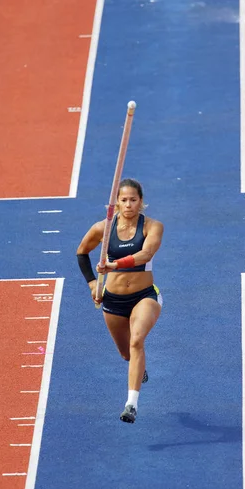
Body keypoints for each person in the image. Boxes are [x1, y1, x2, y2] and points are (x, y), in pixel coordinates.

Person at [76, 178, 164, 423]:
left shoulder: (152, 226)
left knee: (137, 341)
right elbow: (82, 252)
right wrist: (92, 282)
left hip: (144, 295)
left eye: (133, 200)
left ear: (141, 202)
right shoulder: (102, 229)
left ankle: (131, 404)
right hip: (113, 300)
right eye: (123, 200)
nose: (128, 205)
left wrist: (114, 264)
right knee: (127, 354)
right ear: (116, 203)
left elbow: (146, 253)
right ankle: (138, 367)